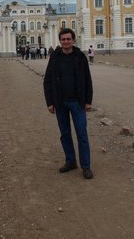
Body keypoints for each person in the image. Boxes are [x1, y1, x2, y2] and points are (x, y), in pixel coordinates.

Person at [43, 28, 94, 179]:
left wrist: (88, 101)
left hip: (77, 102)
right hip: (60, 102)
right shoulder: (55, 57)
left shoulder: (80, 56)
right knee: (65, 134)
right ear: (60, 41)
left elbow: (87, 79)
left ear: (73, 40)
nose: (66, 42)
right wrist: (50, 102)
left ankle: (86, 166)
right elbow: (47, 80)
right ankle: (71, 161)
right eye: (63, 39)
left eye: (68, 39)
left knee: (82, 134)